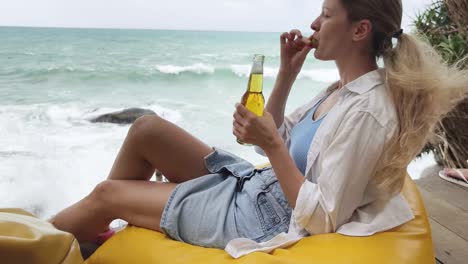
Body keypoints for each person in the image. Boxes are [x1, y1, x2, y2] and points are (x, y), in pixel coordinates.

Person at [50, 0, 468, 258]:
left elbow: (322, 217)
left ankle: (31, 243)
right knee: (146, 129)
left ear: (360, 30)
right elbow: (276, 139)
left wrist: (270, 146)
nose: (314, 23)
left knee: (107, 195)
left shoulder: (369, 113)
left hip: (264, 218)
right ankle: (100, 233)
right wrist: (286, 74)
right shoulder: (340, 90)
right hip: (257, 185)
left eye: (325, 14)